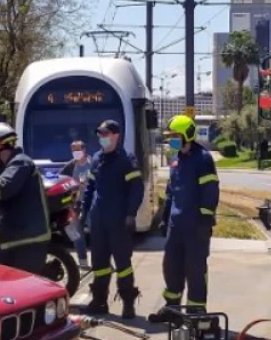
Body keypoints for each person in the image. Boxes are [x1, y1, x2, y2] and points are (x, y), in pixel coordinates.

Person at [148, 115, 219, 319]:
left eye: (175, 135)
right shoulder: (177, 159)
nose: (171, 140)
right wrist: (164, 218)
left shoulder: (203, 159)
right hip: (175, 225)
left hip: (196, 226)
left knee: (195, 270)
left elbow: (211, 190)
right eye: (170, 136)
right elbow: (171, 192)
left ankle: (196, 312)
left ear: (187, 134)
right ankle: (172, 309)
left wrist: (205, 219)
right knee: (171, 267)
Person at [79, 120, 145, 318]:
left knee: (123, 264)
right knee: (99, 264)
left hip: (118, 221)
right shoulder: (97, 158)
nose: (102, 137)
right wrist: (84, 211)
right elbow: (90, 186)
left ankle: (128, 303)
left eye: (105, 134)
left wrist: (131, 214)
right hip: (98, 220)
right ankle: (99, 301)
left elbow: (136, 189)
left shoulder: (127, 160)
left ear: (116, 135)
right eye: (100, 134)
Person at [0, 123, 51, 273]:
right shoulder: (3, 168)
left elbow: (2, 188)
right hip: (13, 238)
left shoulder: (21, 162)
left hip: (28, 240)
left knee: (22, 288)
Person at [67, 140, 92, 266]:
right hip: (76, 204)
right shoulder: (71, 165)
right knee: (76, 234)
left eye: (77, 150)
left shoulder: (92, 163)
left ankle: (105, 262)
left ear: (84, 150)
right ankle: (82, 262)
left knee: (97, 233)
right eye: (73, 150)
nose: (75, 153)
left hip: (91, 203)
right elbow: (61, 178)